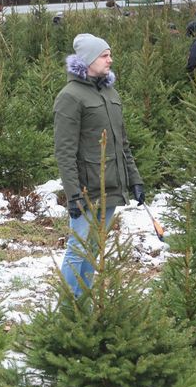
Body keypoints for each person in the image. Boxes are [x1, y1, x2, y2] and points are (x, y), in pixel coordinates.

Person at [53, 34, 145, 298]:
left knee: (94, 249)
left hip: (111, 185)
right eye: (105, 55)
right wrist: (73, 194)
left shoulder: (110, 93)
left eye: (109, 54)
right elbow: (65, 151)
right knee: (78, 249)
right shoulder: (70, 96)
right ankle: (69, 306)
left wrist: (134, 179)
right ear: (88, 59)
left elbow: (122, 143)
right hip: (86, 189)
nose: (110, 60)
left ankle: (84, 303)